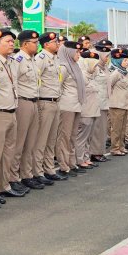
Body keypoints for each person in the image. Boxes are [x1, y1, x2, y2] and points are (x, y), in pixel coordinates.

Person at [0, 28, 26, 202]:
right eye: (8, 41)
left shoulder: (12, 62)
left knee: (8, 153)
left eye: (12, 41)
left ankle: (4, 185)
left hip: (12, 111)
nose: (12, 44)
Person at [12, 30, 44, 191]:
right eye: (35, 42)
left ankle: (27, 175)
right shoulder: (18, 60)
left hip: (34, 102)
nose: (37, 45)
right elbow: (14, 84)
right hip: (23, 102)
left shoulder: (32, 60)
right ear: (25, 44)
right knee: (19, 144)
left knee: (31, 142)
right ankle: (13, 177)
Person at [34, 32, 66, 183]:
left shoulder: (55, 58)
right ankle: (38, 171)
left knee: (51, 139)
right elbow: (35, 79)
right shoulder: (40, 58)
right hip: (45, 102)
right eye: (55, 42)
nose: (58, 44)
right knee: (41, 139)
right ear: (46, 44)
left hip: (55, 101)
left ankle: (49, 169)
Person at [56, 41, 84, 178]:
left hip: (76, 105)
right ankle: (63, 165)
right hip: (66, 106)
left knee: (73, 136)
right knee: (64, 137)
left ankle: (72, 163)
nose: (78, 54)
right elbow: (58, 87)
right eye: (76, 52)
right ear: (69, 52)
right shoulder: (63, 67)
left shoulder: (75, 66)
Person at [76, 50, 100, 171]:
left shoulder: (92, 77)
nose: (95, 68)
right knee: (81, 138)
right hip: (85, 112)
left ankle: (86, 157)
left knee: (89, 137)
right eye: (94, 65)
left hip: (93, 111)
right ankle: (79, 159)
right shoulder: (82, 77)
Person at [89, 40, 112, 162]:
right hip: (97, 101)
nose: (107, 58)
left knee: (102, 129)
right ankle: (95, 153)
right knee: (97, 129)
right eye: (106, 56)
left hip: (104, 101)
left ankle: (100, 151)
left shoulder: (104, 67)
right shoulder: (95, 67)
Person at [108, 48, 128, 156]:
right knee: (116, 128)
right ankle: (115, 148)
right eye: (124, 60)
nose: (127, 62)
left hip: (124, 104)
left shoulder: (124, 73)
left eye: (127, 60)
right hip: (116, 104)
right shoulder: (115, 73)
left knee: (122, 128)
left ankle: (121, 146)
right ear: (118, 61)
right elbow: (109, 86)